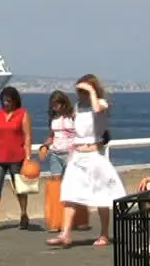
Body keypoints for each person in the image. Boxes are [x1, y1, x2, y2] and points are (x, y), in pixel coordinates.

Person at [47, 74, 126, 249]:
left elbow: (97, 110)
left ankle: (104, 233)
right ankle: (65, 234)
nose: (80, 95)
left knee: (102, 196)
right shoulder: (78, 107)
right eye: (79, 91)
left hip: (94, 155)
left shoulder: (102, 104)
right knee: (70, 194)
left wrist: (91, 91)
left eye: (83, 91)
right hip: (78, 155)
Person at [0, 86, 33, 231]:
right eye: (4, 100)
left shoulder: (22, 114)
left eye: (9, 100)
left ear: (15, 101)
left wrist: (28, 157)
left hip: (17, 156)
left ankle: (23, 214)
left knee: (19, 188)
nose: (6, 103)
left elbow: (27, 137)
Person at [39, 91, 87, 233]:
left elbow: (81, 133)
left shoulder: (73, 116)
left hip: (71, 154)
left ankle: (79, 218)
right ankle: (57, 219)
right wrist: (45, 145)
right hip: (55, 153)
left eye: (57, 104)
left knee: (72, 186)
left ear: (63, 103)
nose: (55, 107)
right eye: (53, 105)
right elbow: (52, 136)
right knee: (56, 186)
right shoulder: (53, 118)